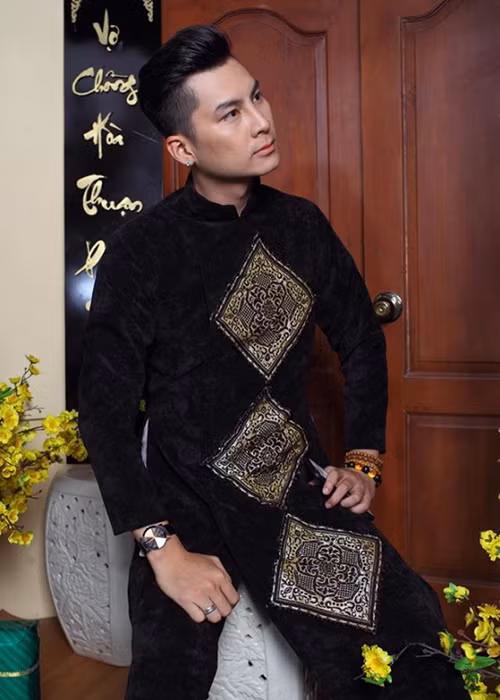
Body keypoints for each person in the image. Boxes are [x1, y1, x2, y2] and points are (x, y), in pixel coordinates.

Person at [78, 25, 469, 700]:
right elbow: (104, 413)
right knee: (169, 673)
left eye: (256, 97)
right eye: (231, 113)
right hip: (185, 502)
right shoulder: (141, 251)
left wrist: (364, 457)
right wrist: (163, 550)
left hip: (292, 489)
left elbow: (361, 337)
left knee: (409, 639)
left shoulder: (301, 226)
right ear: (182, 148)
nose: (261, 121)